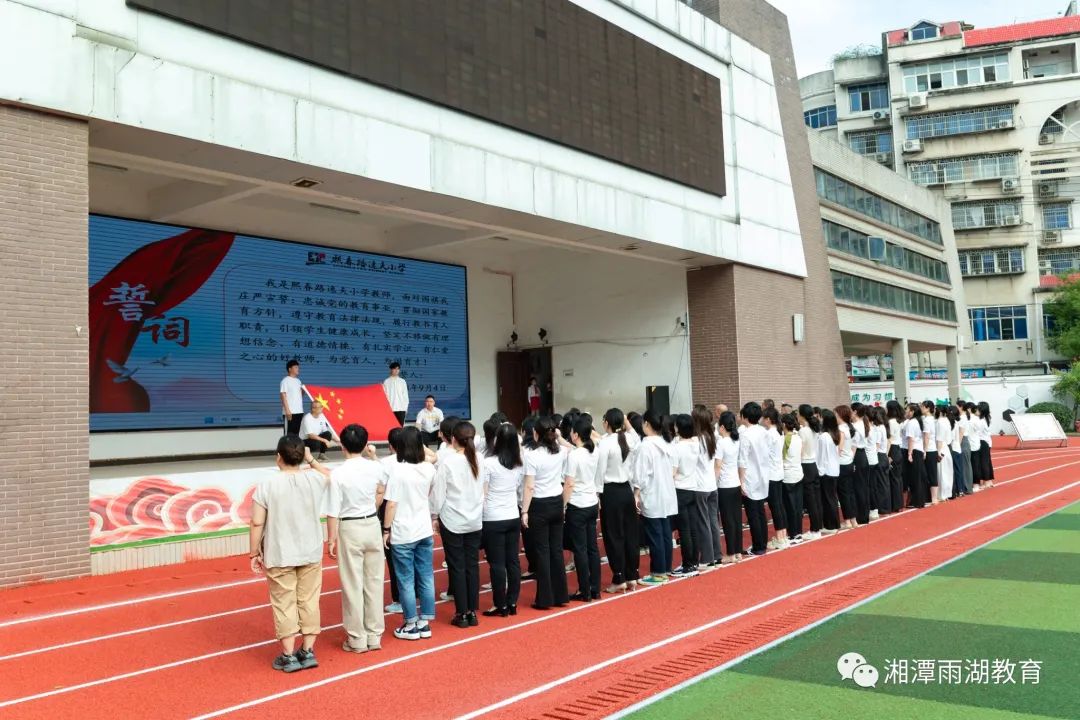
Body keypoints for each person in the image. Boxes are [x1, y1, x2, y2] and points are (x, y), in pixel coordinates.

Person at [249, 435, 330, 672]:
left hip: (280, 552)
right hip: (310, 550)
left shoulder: (267, 484)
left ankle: (288, 655)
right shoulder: (314, 479)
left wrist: (253, 553)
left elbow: (256, 523)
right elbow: (331, 477)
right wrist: (311, 460)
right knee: (309, 600)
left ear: (278, 457)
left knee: (284, 602)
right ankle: (307, 650)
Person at [326, 424, 385, 654]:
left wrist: (331, 539)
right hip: (372, 523)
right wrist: (372, 455)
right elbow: (384, 480)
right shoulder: (375, 468)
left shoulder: (338, 474)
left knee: (352, 584)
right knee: (374, 581)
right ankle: (374, 635)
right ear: (365, 444)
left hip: (350, 527)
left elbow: (333, 511)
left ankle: (357, 638)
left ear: (342, 446)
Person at [383, 426, 437, 641]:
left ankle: (411, 623)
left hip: (403, 532)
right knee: (425, 576)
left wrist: (386, 530)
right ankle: (424, 622)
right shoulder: (428, 469)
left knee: (405, 579)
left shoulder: (398, 471)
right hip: (423, 528)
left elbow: (391, 504)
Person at [431, 421, 484, 629]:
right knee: (472, 565)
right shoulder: (479, 458)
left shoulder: (449, 462)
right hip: (474, 519)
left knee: (457, 566)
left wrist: (434, 515)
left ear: (452, 439)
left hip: (453, 520)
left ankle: (462, 612)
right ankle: (472, 611)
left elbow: (438, 494)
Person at [521, 416, 570, 610]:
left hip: (539, 505)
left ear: (536, 433)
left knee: (542, 551)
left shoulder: (531, 455)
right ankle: (560, 595)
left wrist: (524, 511)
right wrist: (559, 437)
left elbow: (529, 486)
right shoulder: (560, 451)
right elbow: (573, 449)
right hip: (557, 502)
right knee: (556, 550)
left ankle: (545, 598)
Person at [482, 423, 526, 617]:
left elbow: (483, 492)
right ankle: (512, 601)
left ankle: (500, 604)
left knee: (497, 563)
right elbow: (518, 488)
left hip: (493, 517)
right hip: (512, 516)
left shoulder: (489, 463)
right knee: (513, 561)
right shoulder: (518, 464)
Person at [596, 408, 641, 593]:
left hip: (610, 492)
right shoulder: (629, 439)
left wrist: (597, 494)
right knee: (630, 534)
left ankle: (619, 577)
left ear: (606, 423)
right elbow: (635, 435)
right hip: (626, 491)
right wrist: (625, 420)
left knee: (614, 535)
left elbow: (600, 472)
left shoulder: (605, 444)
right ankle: (632, 575)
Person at [632, 410, 679, 583]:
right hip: (667, 492)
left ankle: (658, 572)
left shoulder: (646, 446)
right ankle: (665, 568)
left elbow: (640, 474)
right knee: (665, 532)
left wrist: (636, 492)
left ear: (646, 424)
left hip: (652, 493)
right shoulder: (667, 443)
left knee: (655, 534)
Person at [564, 415, 602, 601]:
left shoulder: (574, 455)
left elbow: (569, 483)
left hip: (577, 505)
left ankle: (584, 590)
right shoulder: (594, 451)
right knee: (592, 548)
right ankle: (595, 588)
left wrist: (563, 505)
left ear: (576, 434)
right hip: (591, 502)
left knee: (580, 549)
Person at [671, 414, 703, 576]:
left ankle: (687, 564)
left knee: (684, 530)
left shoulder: (677, 447)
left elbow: (673, 472)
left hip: (680, 488)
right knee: (693, 527)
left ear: (679, 428)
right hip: (693, 487)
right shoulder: (696, 444)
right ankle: (694, 561)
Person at [737, 402, 771, 556]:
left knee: (753, 513)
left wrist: (741, 481)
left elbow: (742, 460)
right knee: (760, 511)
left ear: (745, 417)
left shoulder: (745, 435)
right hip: (763, 474)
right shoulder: (764, 431)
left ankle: (758, 545)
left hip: (750, 476)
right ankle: (762, 542)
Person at [692, 405, 722, 568]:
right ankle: (716, 555)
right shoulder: (712, 436)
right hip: (711, 484)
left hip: (700, 486)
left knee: (703, 522)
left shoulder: (697, 440)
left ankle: (707, 558)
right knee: (712, 521)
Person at [379, 427, 404, 614]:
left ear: (390, 445)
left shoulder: (385, 462)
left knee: (394, 558)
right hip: (412, 509)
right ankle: (413, 594)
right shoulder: (419, 460)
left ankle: (399, 599)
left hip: (390, 507)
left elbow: (380, 491)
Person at [715, 411, 742, 562]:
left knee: (728, 520)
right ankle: (737, 552)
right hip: (735, 483)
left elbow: (718, 465)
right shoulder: (736, 440)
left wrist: (714, 481)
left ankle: (731, 553)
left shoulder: (721, 442)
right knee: (736, 519)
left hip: (724, 485)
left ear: (723, 427)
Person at [761, 408, 788, 549]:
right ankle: (783, 535)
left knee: (775, 505)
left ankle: (779, 537)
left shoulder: (769, 434)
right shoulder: (779, 431)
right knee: (779, 504)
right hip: (778, 472)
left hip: (771, 473)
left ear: (768, 419)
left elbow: (763, 454)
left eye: (763, 418)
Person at [797, 404, 823, 538]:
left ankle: (815, 530)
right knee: (816, 498)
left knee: (811, 499)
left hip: (806, 465)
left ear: (801, 415)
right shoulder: (814, 429)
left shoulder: (803, 431)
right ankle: (817, 527)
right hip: (813, 464)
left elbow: (800, 451)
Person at [817, 409, 842, 535]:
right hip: (834, 469)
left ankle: (830, 525)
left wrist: (819, 472)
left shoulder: (824, 436)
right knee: (832, 498)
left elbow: (821, 457)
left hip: (826, 471)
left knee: (827, 499)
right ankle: (834, 523)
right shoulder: (835, 434)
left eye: (821, 417)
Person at [780, 414, 804, 542]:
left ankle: (793, 533)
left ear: (783, 424)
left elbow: (781, 457)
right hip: (798, 473)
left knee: (789, 506)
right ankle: (798, 532)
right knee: (797, 504)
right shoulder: (798, 437)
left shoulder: (785, 439)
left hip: (788, 474)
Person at [834, 405, 858, 531]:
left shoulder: (841, 429)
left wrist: (835, 457)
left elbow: (840, 447)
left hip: (842, 463)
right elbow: (854, 446)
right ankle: (853, 520)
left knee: (843, 493)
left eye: (836, 415)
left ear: (840, 415)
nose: (834, 417)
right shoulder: (851, 427)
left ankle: (848, 521)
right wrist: (851, 458)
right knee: (850, 492)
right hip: (849, 462)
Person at [851, 404, 872, 525]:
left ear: (854, 411)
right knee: (863, 487)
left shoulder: (855, 426)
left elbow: (853, 446)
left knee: (858, 488)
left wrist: (851, 461)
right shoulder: (864, 424)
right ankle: (864, 515)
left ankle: (860, 516)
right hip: (863, 455)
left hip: (857, 456)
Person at [903, 403, 927, 509]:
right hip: (919, 449)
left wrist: (909, 453)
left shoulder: (912, 422)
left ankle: (916, 501)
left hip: (914, 450)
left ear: (912, 411)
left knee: (915, 477)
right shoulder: (918, 421)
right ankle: (919, 500)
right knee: (918, 476)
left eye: (907, 409)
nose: (905, 411)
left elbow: (911, 439)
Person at [869, 407, 891, 516]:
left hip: (879, 456)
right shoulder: (883, 426)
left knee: (881, 484)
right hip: (883, 456)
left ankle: (883, 508)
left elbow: (877, 445)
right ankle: (886, 507)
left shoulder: (878, 428)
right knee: (884, 483)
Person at [886, 400, 905, 512]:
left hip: (892, 449)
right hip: (898, 448)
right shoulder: (899, 421)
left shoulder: (891, 422)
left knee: (893, 478)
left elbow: (889, 439)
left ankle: (895, 504)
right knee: (897, 478)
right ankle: (898, 503)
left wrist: (887, 454)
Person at [279, 359, 305, 436]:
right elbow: (283, 395)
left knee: (296, 433)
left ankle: (295, 448)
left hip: (299, 411)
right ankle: (286, 448)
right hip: (290, 412)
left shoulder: (298, 381)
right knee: (288, 434)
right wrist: (287, 410)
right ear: (290, 369)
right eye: (296, 367)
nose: (298, 369)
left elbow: (300, 396)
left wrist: (303, 390)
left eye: (298, 367)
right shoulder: (285, 381)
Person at [921, 401, 940, 504]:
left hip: (929, 449)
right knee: (932, 473)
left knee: (930, 474)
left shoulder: (927, 420)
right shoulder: (932, 419)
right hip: (933, 449)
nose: (921, 408)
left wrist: (924, 450)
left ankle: (933, 498)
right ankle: (933, 497)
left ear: (928, 408)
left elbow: (927, 436)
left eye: (922, 407)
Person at [935, 403, 954, 502]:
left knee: (941, 473)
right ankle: (946, 494)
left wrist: (938, 452)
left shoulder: (940, 422)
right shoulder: (946, 420)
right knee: (947, 472)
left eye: (935, 409)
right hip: (946, 448)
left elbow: (939, 438)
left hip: (941, 448)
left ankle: (942, 495)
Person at [382, 362, 410, 427]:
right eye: (394, 368)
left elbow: (405, 396)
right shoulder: (386, 381)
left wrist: (405, 408)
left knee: (400, 428)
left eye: (398, 369)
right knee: (391, 428)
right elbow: (385, 396)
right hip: (390, 409)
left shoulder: (402, 381)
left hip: (401, 409)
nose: (396, 370)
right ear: (391, 369)